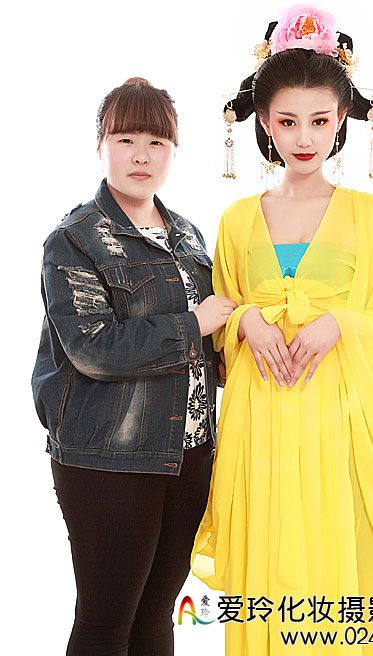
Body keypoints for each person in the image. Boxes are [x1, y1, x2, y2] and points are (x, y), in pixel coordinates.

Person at [190, 6, 373, 656]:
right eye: (287, 121)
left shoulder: (372, 218)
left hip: (341, 422)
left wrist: (340, 323)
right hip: (261, 420)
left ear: (342, 119)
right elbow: (218, 319)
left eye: (319, 120)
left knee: (338, 564)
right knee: (269, 564)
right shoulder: (237, 221)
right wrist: (245, 319)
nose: (304, 137)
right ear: (264, 122)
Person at [31, 76, 236, 656]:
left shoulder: (188, 235)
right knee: (105, 625)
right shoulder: (75, 240)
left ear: (173, 150)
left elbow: (210, 339)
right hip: (110, 457)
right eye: (126, 140)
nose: (141, 155)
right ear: (101, 146)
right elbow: (92, 347)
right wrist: (192, 326)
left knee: (155, 620)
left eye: (156, 142)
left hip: (189, 452)